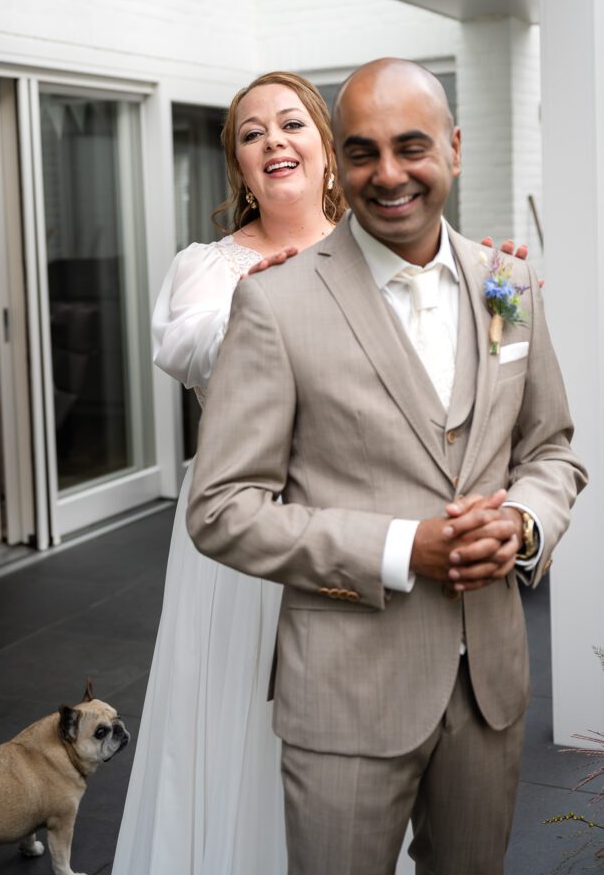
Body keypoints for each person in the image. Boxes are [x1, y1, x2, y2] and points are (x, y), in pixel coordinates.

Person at [187, 58, 587, 874]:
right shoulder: (274, 302)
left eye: (411, 146)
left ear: (454, 149)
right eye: (363, 151)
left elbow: (549, 448)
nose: (389, 173)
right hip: (345, 694)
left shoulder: (506, 284)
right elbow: (221, 507)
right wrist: (402, 548)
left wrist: (522, 524)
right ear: (339, 159)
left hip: (489, 690)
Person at [112, 71, 345, 875]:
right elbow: (186, 348)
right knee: (236, 710)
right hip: (240, 529)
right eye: (252, 133)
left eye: (291, 123)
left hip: (352, 519)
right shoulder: (206, 268)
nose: (273, 139)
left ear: (325, 148)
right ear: (240, 167)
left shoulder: (377, 254)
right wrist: (256, 305)